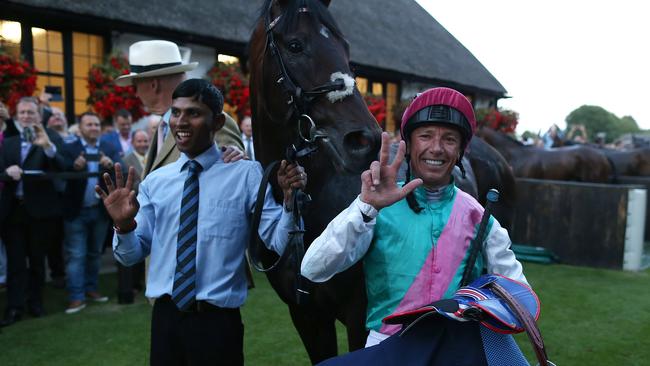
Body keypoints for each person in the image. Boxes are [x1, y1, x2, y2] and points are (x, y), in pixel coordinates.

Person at [97, 79, 307, 365]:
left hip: (218, 324)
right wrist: (124, 226)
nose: (180, 122)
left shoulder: (245, 174)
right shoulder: (156, 182)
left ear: (217, 121)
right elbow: (130, 255)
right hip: (165, 320)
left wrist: (289, 199)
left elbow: (278, 242)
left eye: (193, 113)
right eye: (176, 112)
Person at [301, 87, 527, 347]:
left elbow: (519, 300)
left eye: (450, 139)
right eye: (426, 136)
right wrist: (365, 206)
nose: (437, 148)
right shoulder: (376, 207)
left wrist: (480, 304)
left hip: (454, 350)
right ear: (408, 144)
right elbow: (313, 268)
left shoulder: (479, 216)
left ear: (460, 151)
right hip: (386, 349)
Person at [114, 40, 245, 178]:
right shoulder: (163, 126)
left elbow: (234, 179)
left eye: (135, 86)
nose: (136, 94)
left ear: (154, 85)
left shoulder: (211, 121)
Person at [0, 97, 65, 326]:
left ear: (38, 115)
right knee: (16, 263)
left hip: (40, 213)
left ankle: (36, 303)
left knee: (38, 262)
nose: (26, 116)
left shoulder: (47, 141)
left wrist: (46, 145)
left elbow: (61, 165)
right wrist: (7, 172)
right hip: (13, 212)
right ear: (17, 116)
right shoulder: (8, 143)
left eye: (31, 112)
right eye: (23, 113)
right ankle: (14, 308)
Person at [61, 112, 122, 313]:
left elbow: (119, 175)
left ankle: (91, 289)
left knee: (95, 253)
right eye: (89, 124)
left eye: (97, 124)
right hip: (76, 211)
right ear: (80, 128)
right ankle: (76, 296)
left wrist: (111, 165)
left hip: (100, 211)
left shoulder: (109, 148)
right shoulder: (69, 148)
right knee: (76, 255)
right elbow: (60, 173)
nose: (94, 128)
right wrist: (73, 166)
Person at [116, 129, 149, 303]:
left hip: (149, 209)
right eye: (139, 141)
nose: (143, 144)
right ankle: (131, 287)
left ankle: (143, 282)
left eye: (145, 141)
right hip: (132, 209)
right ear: (133, 143)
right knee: (132, 246)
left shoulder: (153, 156)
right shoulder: (126, 160)